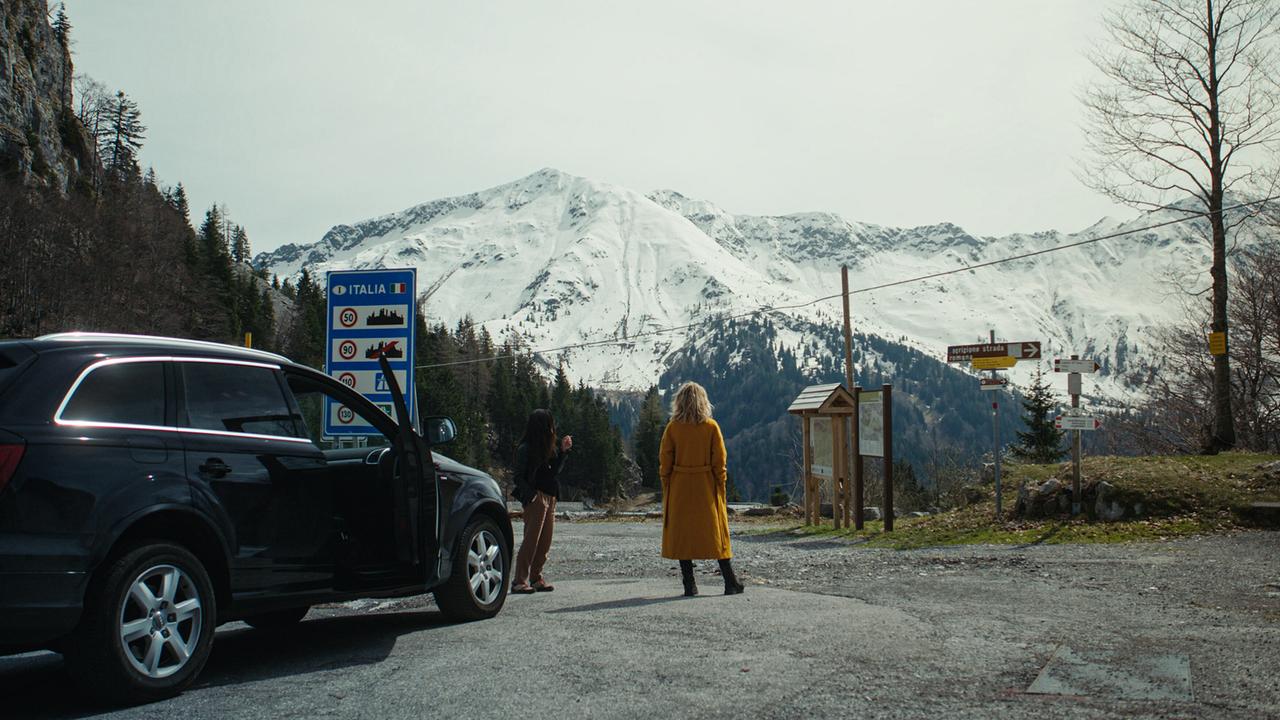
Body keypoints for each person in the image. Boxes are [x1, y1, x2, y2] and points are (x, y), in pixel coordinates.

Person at [659, 382, 744, 596]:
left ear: (679, 402)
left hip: (680, 484)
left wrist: (668, 484)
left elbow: (665, 460)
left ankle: (690, 584)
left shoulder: (673, 428)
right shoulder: (711, 427)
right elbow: (720, 462)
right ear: (703, 402)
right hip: (706, 486)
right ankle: (730, 581)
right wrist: (720, 486)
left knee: (683, 534)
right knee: (716, 533)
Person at [510, 409, 572, 594]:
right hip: (536, 498)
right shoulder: (526, 449)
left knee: (545, 542)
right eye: (550, 424)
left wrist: (563, 452)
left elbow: (554, 472)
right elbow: (518, 477)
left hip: (551, 497)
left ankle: (536, 578)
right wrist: (531, 496)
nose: (553, 428)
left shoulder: (549, 447)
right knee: (531, 540)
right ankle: (519, 580)